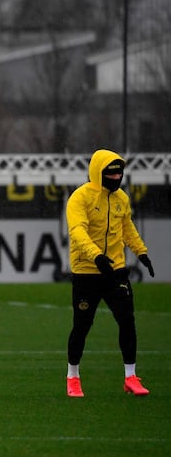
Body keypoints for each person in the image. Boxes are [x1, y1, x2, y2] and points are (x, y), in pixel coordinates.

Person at [65, 148, 155, 398]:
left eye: (119, 175)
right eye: (111, 175)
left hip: (115, 271)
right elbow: (77, 231)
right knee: (82, 326)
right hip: (86, 271)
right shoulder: (79, 198)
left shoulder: (121, 200)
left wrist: (141, 252)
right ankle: (73, 377)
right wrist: (96, 256)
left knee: (127, 320)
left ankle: (131, 377)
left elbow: (127, 229)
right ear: (98, 173)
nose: (116, 179)